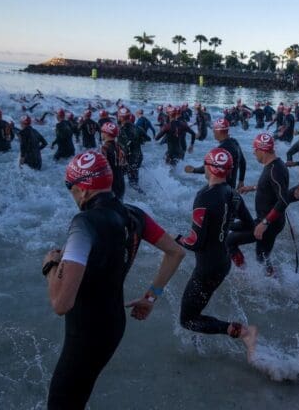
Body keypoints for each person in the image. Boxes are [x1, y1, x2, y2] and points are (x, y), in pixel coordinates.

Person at [44, 151, 185, 409]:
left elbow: (61, 303)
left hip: (86, 332)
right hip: (113, 326)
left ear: (84, 190)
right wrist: (151, 297)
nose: (71, 194)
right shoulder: (134, 214)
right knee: (78, 396)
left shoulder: (83, 224)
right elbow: (176, 252)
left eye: (70, 187)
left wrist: (50, 266)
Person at [175, 148, 258, 360]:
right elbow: (249, 224)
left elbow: (195, 242)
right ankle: (202, 335)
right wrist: (224, 227)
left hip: (207, 267)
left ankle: (243, 332)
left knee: (187, 319)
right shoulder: (233, 194)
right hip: (223, 262)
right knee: (198, 308)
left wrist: (175, 239)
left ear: (210, 168)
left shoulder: (204, 196)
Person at [227, 133, 290, 274]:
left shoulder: (275, 170)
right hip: (267, 220)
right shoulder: (274, 165)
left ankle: (245, 273)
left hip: (269, 223)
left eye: (255, 150)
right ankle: (272, 278)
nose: (254, 153)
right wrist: (253, 187)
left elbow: (284, 199)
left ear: (262, 150)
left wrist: (264, 223)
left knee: (230, 240)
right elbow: (271, 186)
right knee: (262, 257)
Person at [184, 118, 246, 190]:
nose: (213, 132)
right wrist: (241, 180)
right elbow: (243, 162)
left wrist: (193, 170)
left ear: (218, 131)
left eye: (214, 130)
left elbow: (210, 167)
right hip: (231, 187)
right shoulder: (235, 142)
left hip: (221, 189)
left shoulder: (222, 149)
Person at [117, 108, 150, 192]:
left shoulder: (120, 131)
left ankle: (141, 197)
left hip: (127, 159)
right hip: (138, 157)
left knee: (121, 180)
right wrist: (138, 140)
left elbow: (121, 147)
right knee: (133, 181)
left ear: (120, 117)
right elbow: (148, 139)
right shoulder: (138, 128)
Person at [100, 122, 127, 200]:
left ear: (106, 133)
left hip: (111, 185)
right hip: (121, 182)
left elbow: (102, 170)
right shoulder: (120, 146)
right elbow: (125, 167)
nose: (101, 133)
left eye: (102, 131)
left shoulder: (104, 149)